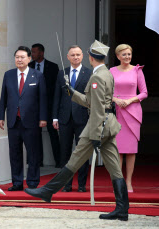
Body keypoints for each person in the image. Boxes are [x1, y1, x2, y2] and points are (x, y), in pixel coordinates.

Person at [25, 40, 130, 221]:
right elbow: (92, 101)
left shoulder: (97, 77)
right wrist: (71, 92)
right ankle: (122, 208)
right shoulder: (106, 73)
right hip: (108, 125)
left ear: (90, 57)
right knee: (114, 167)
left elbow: (96, 108)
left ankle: (47, 191)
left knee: (74, 161)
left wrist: (96, 134)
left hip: (97, 126)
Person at [0, 46, 48, 191]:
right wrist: (1, 116)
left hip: (32, 121)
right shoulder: (8, 75)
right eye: (17, 57)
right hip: (14, 120)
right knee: (14, 153)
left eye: (22, 57)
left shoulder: (37, 75)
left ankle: (32, 182)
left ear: (29, 59)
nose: (19, 60)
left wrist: (43, 118)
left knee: (33, 153)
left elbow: (43, 99)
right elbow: (3, 97)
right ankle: (17, 182)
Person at [52, 45, 92, 192]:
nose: (75, 57)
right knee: (65, 152)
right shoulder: (62, 73)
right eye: (72, 55)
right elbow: (57, 96)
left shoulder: (89, 73)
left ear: (82, 56)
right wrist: (55, 117)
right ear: (68, 57)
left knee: (82, 153)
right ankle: (66, 184)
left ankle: (81, 185)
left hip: (83, 118)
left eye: (78, 54)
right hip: (64, 118)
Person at [110, 44, 148, 193]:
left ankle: (129, 182)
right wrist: (115, 99)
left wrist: (130, 100)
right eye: (124, 54)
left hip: (133, 112)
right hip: (118, 111)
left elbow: (144, 92)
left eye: (129, 54)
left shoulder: (137, 71)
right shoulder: (111, 71)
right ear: (118, 56)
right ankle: (118, 183)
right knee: (118, 149)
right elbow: (106, 92)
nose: (127, 57)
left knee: (131, 150)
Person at [29, 43, 60, 167]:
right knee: (35, 134)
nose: (32, 55)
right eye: (31, 52)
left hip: (49, 105)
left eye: (34, 52)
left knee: (53, 133)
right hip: (33, 106)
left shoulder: (53, 67)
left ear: (41, 53)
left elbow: (56, 88)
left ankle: (59, 161)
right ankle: (38, 161)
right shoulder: (29, 66)